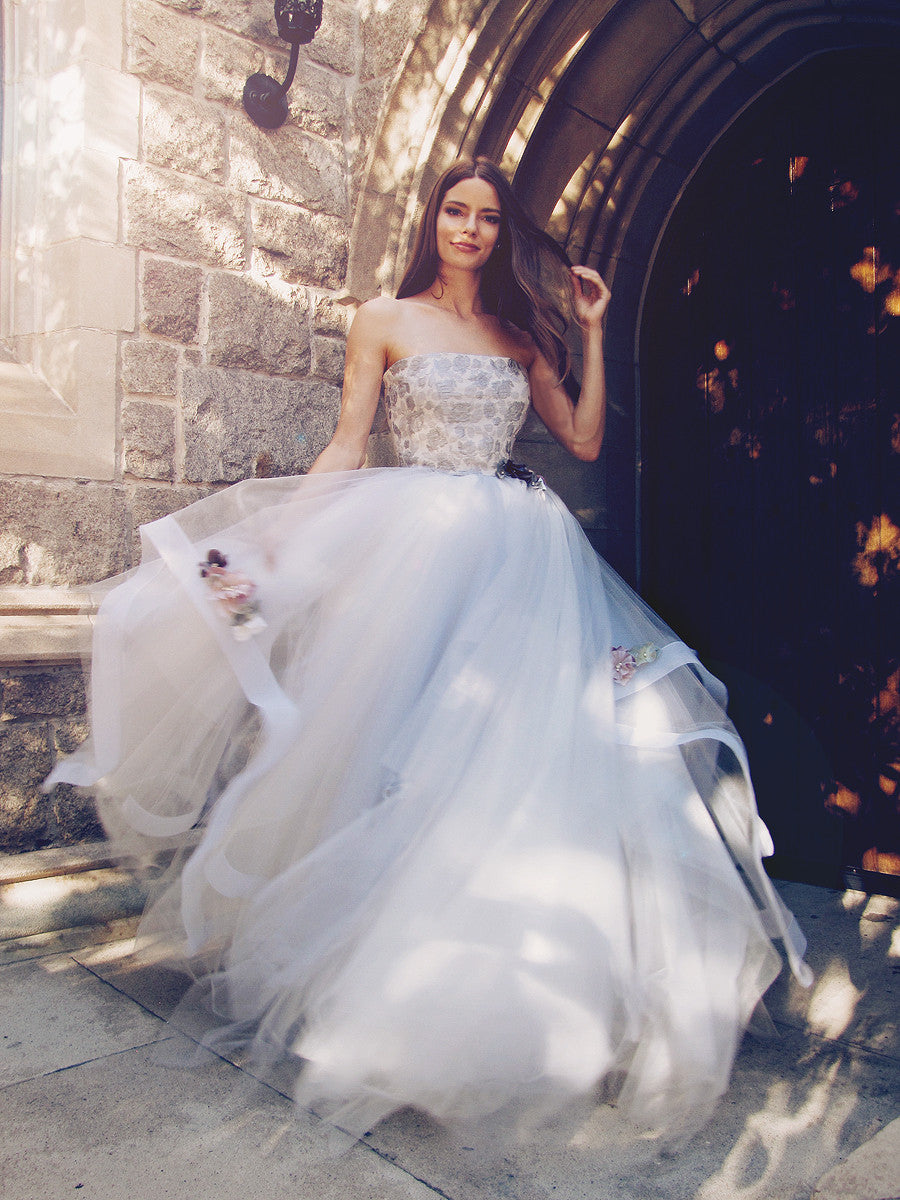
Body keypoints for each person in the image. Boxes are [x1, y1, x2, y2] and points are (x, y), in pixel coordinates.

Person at [46, 157, 810, 1145]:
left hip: (522, 557)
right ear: (434, 221)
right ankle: (369, 970)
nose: (471, 229)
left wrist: (587, 326)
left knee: (512, 762)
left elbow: (579, 439)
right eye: (457, 211)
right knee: (398, 751)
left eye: (488, 217)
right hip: (420, 552)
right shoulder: (385, 317)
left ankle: (498, 985)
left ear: (501, 232)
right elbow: (350, 441)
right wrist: (279, 539)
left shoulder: (519, 332)